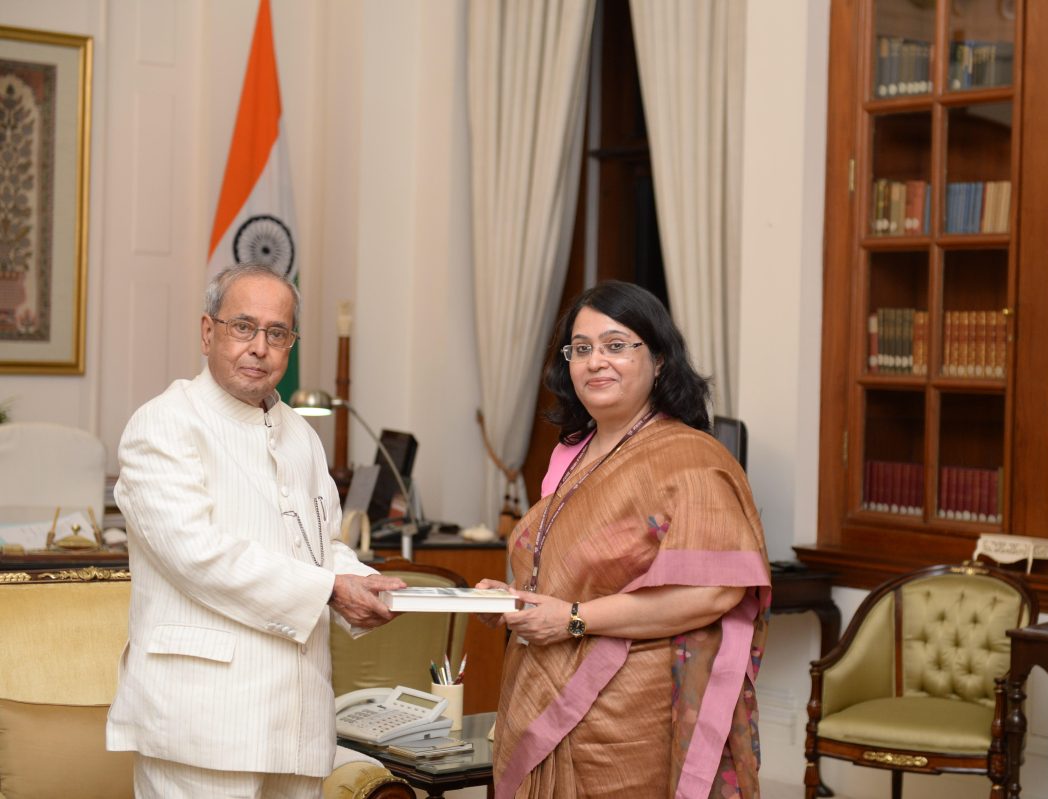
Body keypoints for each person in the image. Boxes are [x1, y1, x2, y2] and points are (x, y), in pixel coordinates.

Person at [107, 263, 406, 798]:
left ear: (290, 344)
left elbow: (321, 544)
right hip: (201, 723)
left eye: (277, 333)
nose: (259, 347)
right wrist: (333, 589)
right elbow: (197, 555)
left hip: (297, 720)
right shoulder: (164, 423)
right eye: (242, 327)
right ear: (207, 332)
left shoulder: (300, 434)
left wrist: (363, 579)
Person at [478, 280, 771, 798]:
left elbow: (715, 592)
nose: (596, 362)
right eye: (582, 348)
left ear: (659, 359)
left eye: (616, 345)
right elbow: (561, 574)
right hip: (537, 681)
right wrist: (513, 602)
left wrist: (573, 619)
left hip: (628, 714)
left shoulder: (692, 459)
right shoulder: (571, 455)